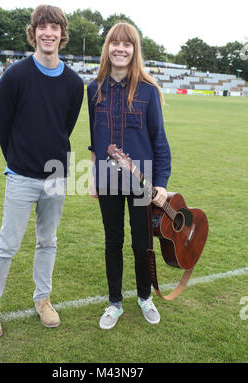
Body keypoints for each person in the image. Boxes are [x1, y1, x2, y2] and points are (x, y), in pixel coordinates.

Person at [0, 4, 84, 338]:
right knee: (8, 244)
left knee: (47, 242)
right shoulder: (15, 75)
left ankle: (43, 300)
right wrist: (19, 161)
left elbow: (64, 127)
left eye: (55, 27)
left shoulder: (73, 82)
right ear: (34, 32)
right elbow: (2, 127)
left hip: (56, 176)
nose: (49, 33)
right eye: (43, 27)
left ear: (62, 34)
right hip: (21, 175)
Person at [87, 22, 171, 330]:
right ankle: (114, 303)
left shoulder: (148, 91)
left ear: (134, 50)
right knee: (113, 241)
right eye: (115, 43)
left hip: (142, 181)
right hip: (107, 179)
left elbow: (159, 141)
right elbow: (95, 139)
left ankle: (144, 297)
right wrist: (94, 177)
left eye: (127, 44)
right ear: (107, 48)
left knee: (141, 243)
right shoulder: (93, 88)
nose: (120, 49)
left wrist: (160, 184)